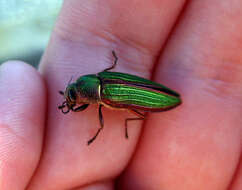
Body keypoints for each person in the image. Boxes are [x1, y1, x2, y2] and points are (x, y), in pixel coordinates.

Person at [0, 1, 241, 189]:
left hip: (152, 98)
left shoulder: (103, 100)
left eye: (74, 98)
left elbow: (98, 117)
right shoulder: (99, 79)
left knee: (132, 114)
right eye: (73, 98)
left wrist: (100, 132)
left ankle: (129, 121)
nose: (71, 100)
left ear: (88, 97)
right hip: (140, 89)